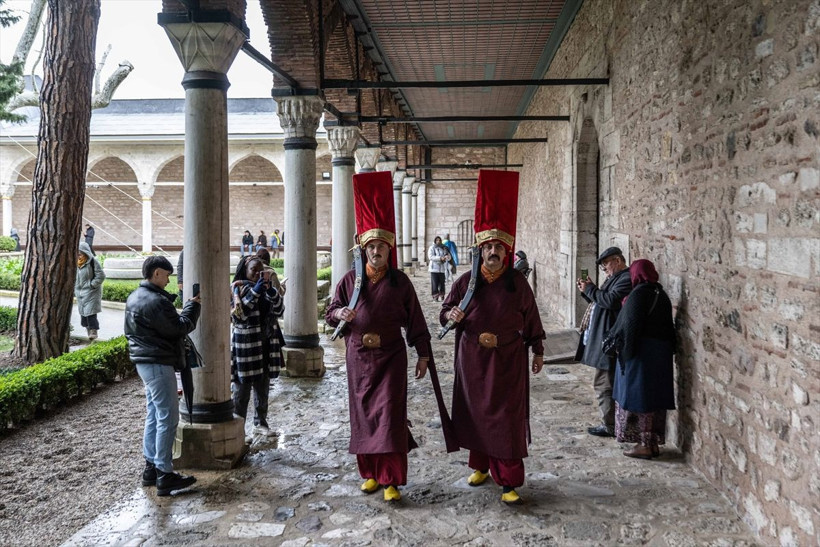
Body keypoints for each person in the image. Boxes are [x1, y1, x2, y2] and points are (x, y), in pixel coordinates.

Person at [325, 170, 440, 503]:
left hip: (390, 358)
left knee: (389, 417)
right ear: (363, 248)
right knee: (363, 417)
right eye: (370, 245)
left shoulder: (400, 283)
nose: (376, 251)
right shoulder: (350, 281)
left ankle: (391, 478)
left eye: (382, 246)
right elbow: (331, 312)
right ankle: (371, 474)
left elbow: (416, 321)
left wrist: (423, 354)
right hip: (359, 359)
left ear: (390, 249)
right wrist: (339, 315)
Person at [440, 170, 545, 505]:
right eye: (488, 246)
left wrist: (538, 350)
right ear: (480, 249)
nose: (494, 252)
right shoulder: (466, 282)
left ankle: (509, 481)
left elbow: (532, 319)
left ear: (507, 250)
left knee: (505, 420)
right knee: (476, 415)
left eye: (500, 246)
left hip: (508, 363)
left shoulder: (518, 284)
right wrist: (450, 315)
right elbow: (445, 310)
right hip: (472, 362)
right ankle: (481, 465)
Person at [124, 255, 200, 497]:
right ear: (157, 273)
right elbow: (179, 328)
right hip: (158, 362)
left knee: (155, 414)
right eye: (167, 275)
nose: (169, 280)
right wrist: (193, 306)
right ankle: (165, 474)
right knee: (168, 417)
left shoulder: (135, 296)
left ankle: (151, 469)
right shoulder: (156, 301)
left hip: (145, 363)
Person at [607, 259, 676, 459]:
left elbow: (631, 328)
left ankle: (644, 444)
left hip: (642, 355)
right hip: (660, 355)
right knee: (654, 398)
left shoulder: (638, 295)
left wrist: (624, 356)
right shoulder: (661, 294)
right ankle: (653, 443)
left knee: (641, 398)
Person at [574, 246, 632, 437]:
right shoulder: (614, 278)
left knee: (604, 383)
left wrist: (591, 289)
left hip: (610, 340)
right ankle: (612, 422)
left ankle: (610, 425)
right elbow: (600, 299)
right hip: (605, 338)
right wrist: (587, 290)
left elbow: (610, 301)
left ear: (617, 260)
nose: (605, 268)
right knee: (606, 382)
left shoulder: (625, 278)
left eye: (606, 263)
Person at [230, 255, 285, 439]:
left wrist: (271, 293)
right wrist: (255, 291)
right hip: (246, 345)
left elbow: (279, 311)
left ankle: (260, 423)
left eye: (260, 270)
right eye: (253, 269)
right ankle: (238, 429)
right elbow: (239, 315)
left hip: (267, 343)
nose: (257, 273)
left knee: (263, 385)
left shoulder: (267, 289)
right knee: (242, 389)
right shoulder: (237, 288)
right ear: (245, 270)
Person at [75, 241, 105, 340]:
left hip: (91, 292)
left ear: (85, 252)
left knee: (91, 313)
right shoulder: (75, 263)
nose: (78, 256)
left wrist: (92, 285)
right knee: (83, 315)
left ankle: (93, 331)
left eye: (80, 254)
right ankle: (88, 331)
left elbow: (101, 276)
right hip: (80, 293)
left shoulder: (92, 261)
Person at [427, 236, 450, 301]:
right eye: (437, 240)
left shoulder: (444, 248)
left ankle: (442, 295)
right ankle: (435, 296)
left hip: (442, 269)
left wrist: (447, 257)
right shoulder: (432, 248)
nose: (438, 241)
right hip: (434, 268)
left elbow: (448, 256)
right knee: (435, 283)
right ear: (435, 241)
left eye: (439, 240)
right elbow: (430, 257)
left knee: (442, 283)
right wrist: (440, 258)